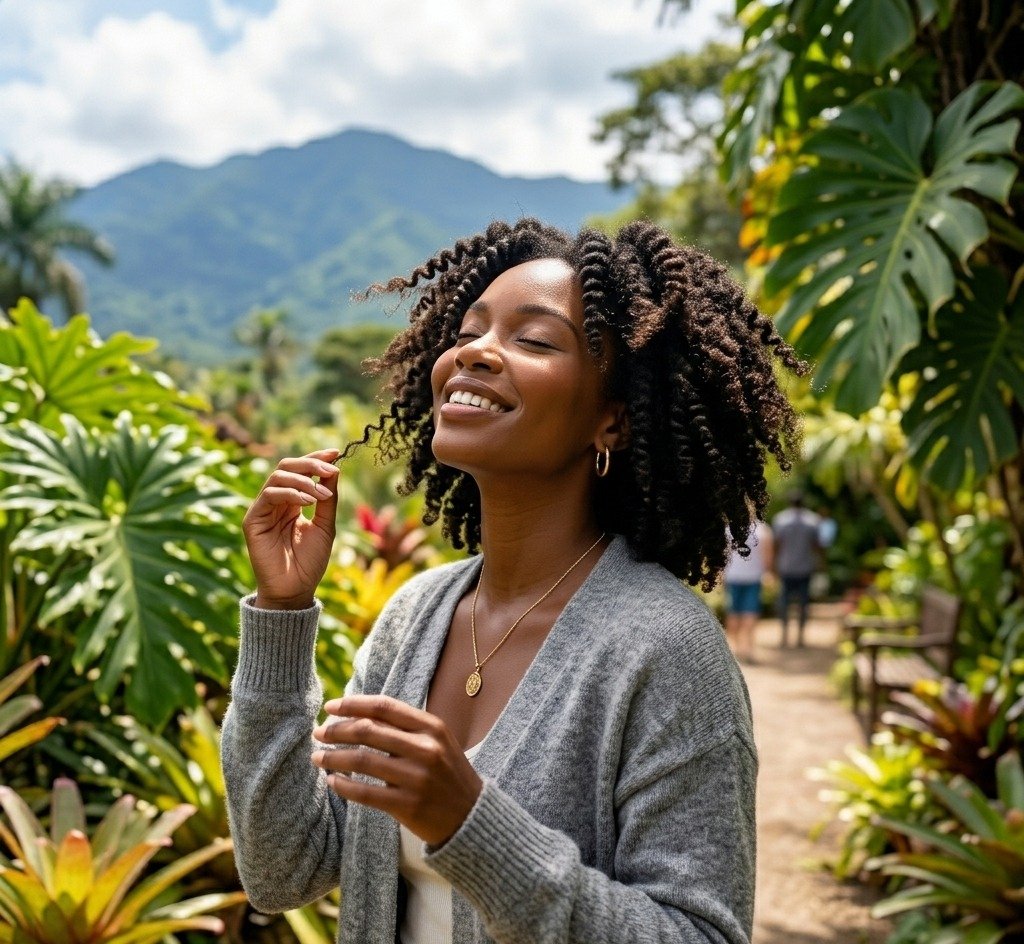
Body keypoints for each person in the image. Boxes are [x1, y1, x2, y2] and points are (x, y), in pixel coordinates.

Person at [219, 218, 806, 944]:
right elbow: (282, 873)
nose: (475, 355)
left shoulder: (666, 652)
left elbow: (703, 936)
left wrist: (471, 824)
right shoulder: (415, 619)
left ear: (614, 421)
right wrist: (282, 611)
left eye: (532, 340)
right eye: (468, 332)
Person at [771, 490, 822, 648]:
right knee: (804, 603)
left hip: (786, 567)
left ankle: (784, 636)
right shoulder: (813, 521)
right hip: (805, 567)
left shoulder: (780, 520)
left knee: (784, 602)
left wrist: (773, 565)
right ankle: (800, 638)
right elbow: (817, 546)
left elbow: (776, 545)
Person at [723, 521, 774, 664]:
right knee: (750, 612)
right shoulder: (762, 529)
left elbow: (723, 553)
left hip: (733, 576)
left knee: (733, 612)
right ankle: (748, 649)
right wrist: (768, 572)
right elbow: (768, 554)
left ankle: (735, 649)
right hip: (753, 577)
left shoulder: (728, 528)